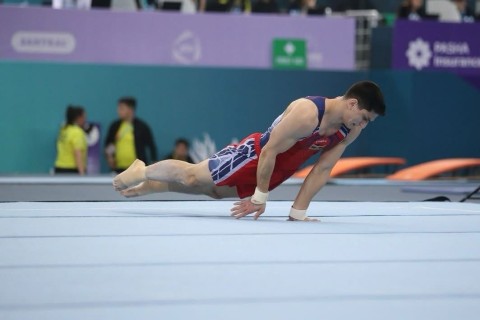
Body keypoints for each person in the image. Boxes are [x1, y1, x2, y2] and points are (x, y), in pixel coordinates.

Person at [113, 81, 386, 221]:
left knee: (214, 192)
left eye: (368, 122)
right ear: (352, 104)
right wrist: (260, 197)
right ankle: (143, 170)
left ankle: (159, 186)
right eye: (363, 117)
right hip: (255, 154)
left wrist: (298, 213)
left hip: (279, 171)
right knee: (193, 178)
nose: (363, 125)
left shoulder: (351, 128)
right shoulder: (308, 113)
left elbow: (323, 169)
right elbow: (268, 151)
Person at [105, 97, 157, 173]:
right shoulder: (115, 126)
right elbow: (108, 144)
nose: (118, 111)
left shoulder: (142, 127)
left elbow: (151, 146)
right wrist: (109, 157)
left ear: (130, 109)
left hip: (137, 169)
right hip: (118, 169)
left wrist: (153, 163)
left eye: (122, 108)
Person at [54, 105, 87, 175]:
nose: (85, 120)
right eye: (84, 117)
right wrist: (82, 174)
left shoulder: (63, 130)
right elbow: (77, 153)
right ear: (78, 118)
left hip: (58, 169)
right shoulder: (77, 132)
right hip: (71, 171)